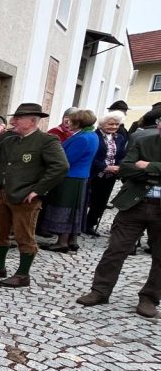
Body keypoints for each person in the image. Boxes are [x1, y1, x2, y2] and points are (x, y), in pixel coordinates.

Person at [0, 102, 68, 287]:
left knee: (24, 236)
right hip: (2, 194)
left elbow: (61, 166)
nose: (13, 121)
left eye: (18, 118)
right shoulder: (10, 139)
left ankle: (23, 275)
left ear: (32, 121)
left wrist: (38, 190)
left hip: (25, 198)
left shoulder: (47, 141)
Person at [76, 114, 161, 318]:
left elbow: (138, 168)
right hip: (134, 205)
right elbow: (126, 169)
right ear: (159, 126)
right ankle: (100, 291)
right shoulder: (143, 141)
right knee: (115, 250)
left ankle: (149, 298)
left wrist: (148, 166)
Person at [39, 108, 97, 252]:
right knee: (73, 210)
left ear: (78, 123)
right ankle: (70, 240)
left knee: (65, 209)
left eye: (71, 120)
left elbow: (66, 160)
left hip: (71, 178)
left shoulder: (82, 138)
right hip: (79, 177)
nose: (68, 122)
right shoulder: (91, 135)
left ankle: (62, 242)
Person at [83, 110, 128, 237]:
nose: (114, 127)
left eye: (116, 124)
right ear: (102, 125)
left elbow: (121, 155)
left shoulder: (120, 138)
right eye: (111, 124)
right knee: (87, 199)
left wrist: (119, 166)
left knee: (101, 201)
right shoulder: (94, 136)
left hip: (110, 175)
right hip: (94, 172)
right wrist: (105, 167)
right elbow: (91, 156)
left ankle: (90, 224)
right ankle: (79, 222)